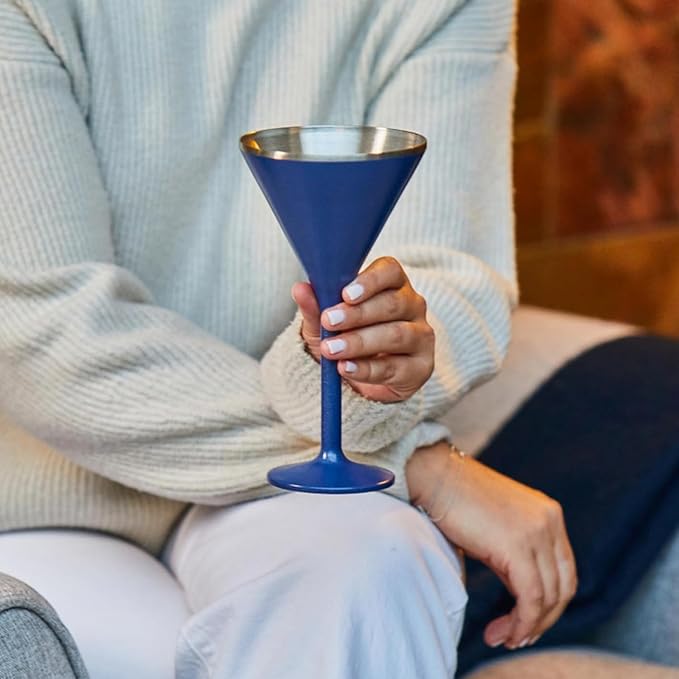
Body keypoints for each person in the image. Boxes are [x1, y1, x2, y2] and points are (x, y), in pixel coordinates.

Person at [0, 0, 578, 676]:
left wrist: (377, 349)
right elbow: (45, 329)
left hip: (273, 490)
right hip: (51, 502)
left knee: (376, 563)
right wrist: (418, 464)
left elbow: (442, 272)